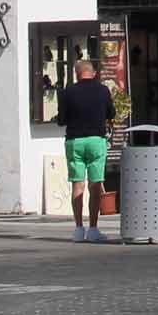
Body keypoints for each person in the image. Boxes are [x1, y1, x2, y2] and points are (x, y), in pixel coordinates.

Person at [55, 59, 115, 243]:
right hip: (96, 140)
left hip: (75, 141)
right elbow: (111, 114)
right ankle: (94, 229)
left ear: (76, 73)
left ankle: (79, 229)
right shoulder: (103, 90)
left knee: (77, 185)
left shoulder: (68, 92)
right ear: (94, 73)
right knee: (95, 185)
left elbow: (62, 119)